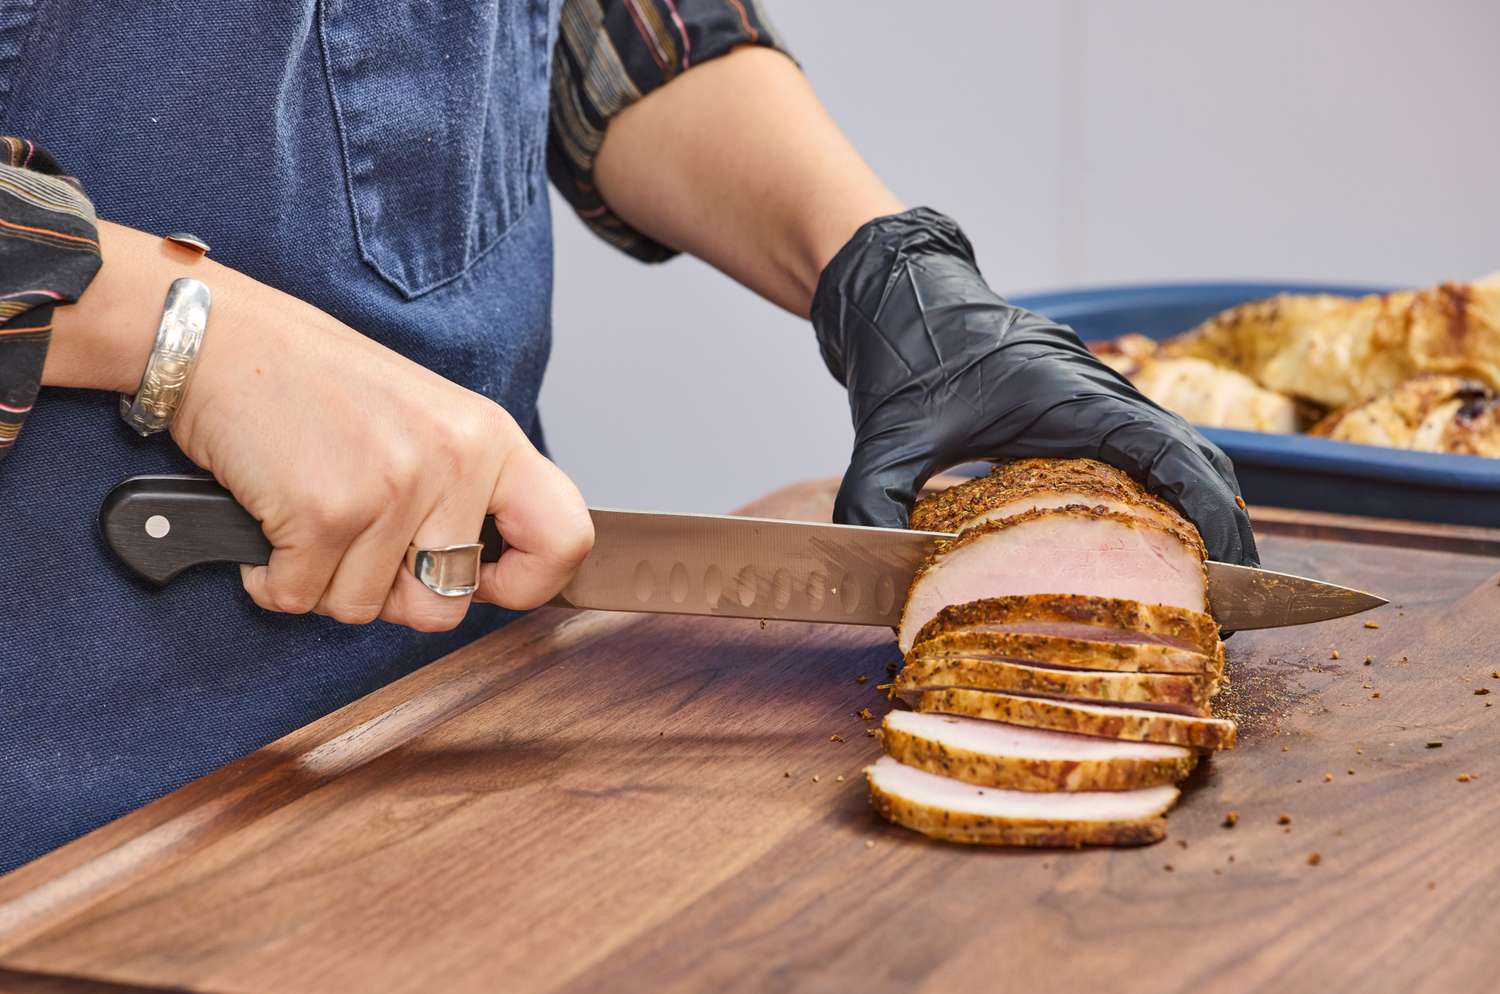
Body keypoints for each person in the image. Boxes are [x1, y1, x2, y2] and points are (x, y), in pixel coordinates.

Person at [0, 2, 1256, 873]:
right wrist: (180, 333)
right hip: (63, 808)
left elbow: (599, 32)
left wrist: (884, 268)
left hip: (456, 722)